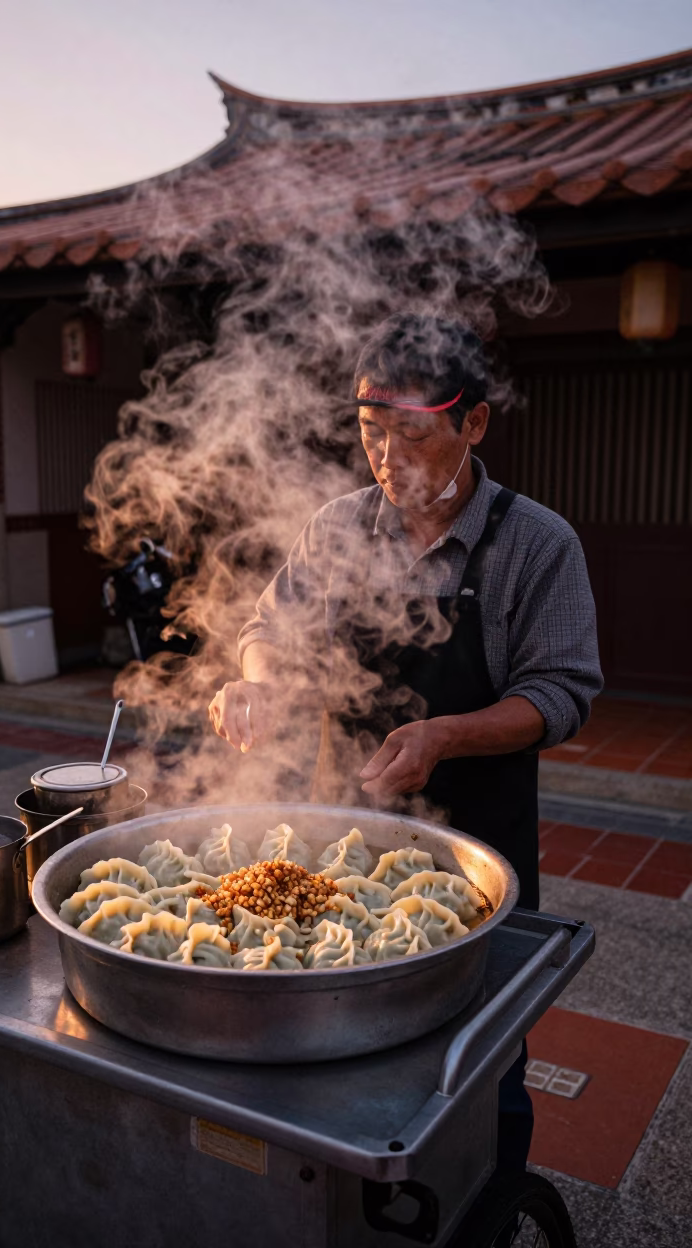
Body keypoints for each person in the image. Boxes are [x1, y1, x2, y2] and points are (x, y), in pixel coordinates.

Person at [208, 312, 603, 1171]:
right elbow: (268, 625)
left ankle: (483, 1202)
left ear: (473, 423)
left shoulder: (536, 545)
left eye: (412, 436)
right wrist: (260, 678)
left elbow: (562, 692)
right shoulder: (339, 526)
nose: (386, 460)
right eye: (370, 433)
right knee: (330, 1050)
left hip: (475, 851)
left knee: (479, 1065)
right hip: (333, 841)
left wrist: (446, 736)